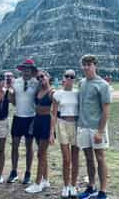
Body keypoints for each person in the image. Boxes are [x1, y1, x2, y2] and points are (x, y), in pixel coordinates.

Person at [77, 55, 111, 199]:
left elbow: (106, 110)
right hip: (83, 126)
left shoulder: (102, 84)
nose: (86, 67)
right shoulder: (82, 82)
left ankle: (103, 190)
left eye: (89, 64)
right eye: (84, 64)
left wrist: (100, 131)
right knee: (88, 158)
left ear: (95, 65)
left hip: (96, 127)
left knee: (100, 158)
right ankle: (91, 186)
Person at [7, 59, 39, 184]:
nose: (26, 71)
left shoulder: (36, 83)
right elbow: (13, 101)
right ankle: (14, 171)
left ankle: (28, 172)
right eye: (24, 68)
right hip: (18, 117)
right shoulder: (16, 82)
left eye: (29, 69)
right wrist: (9, 92)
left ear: (32, 70)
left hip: (31, 117)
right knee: (14, 146)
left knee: (29, 147)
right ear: (22, 70)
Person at [51, 69, 79, 198]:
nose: (69, 78)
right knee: (66, 159)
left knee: (75, 158)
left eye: (72, 76)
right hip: (62, 124)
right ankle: (66, 185)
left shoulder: (78, 93)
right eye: (67, 76)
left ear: (74, 79)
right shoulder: (57, 94)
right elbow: (54, 114)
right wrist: (52, 132)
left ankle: (73, 185)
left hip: (76, 125)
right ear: (63, 78)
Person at [25, 70, 54, 194]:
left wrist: (52, 131)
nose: (40, 79)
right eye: (38, 78)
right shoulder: (38, 91)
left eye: (42, 76)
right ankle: (45, 179)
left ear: (48, 77)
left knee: (40, 153)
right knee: (43, 153)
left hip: (46, 123)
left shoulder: (52, 92)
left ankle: (37, 183)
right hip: (37, 121)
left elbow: (55, 112)